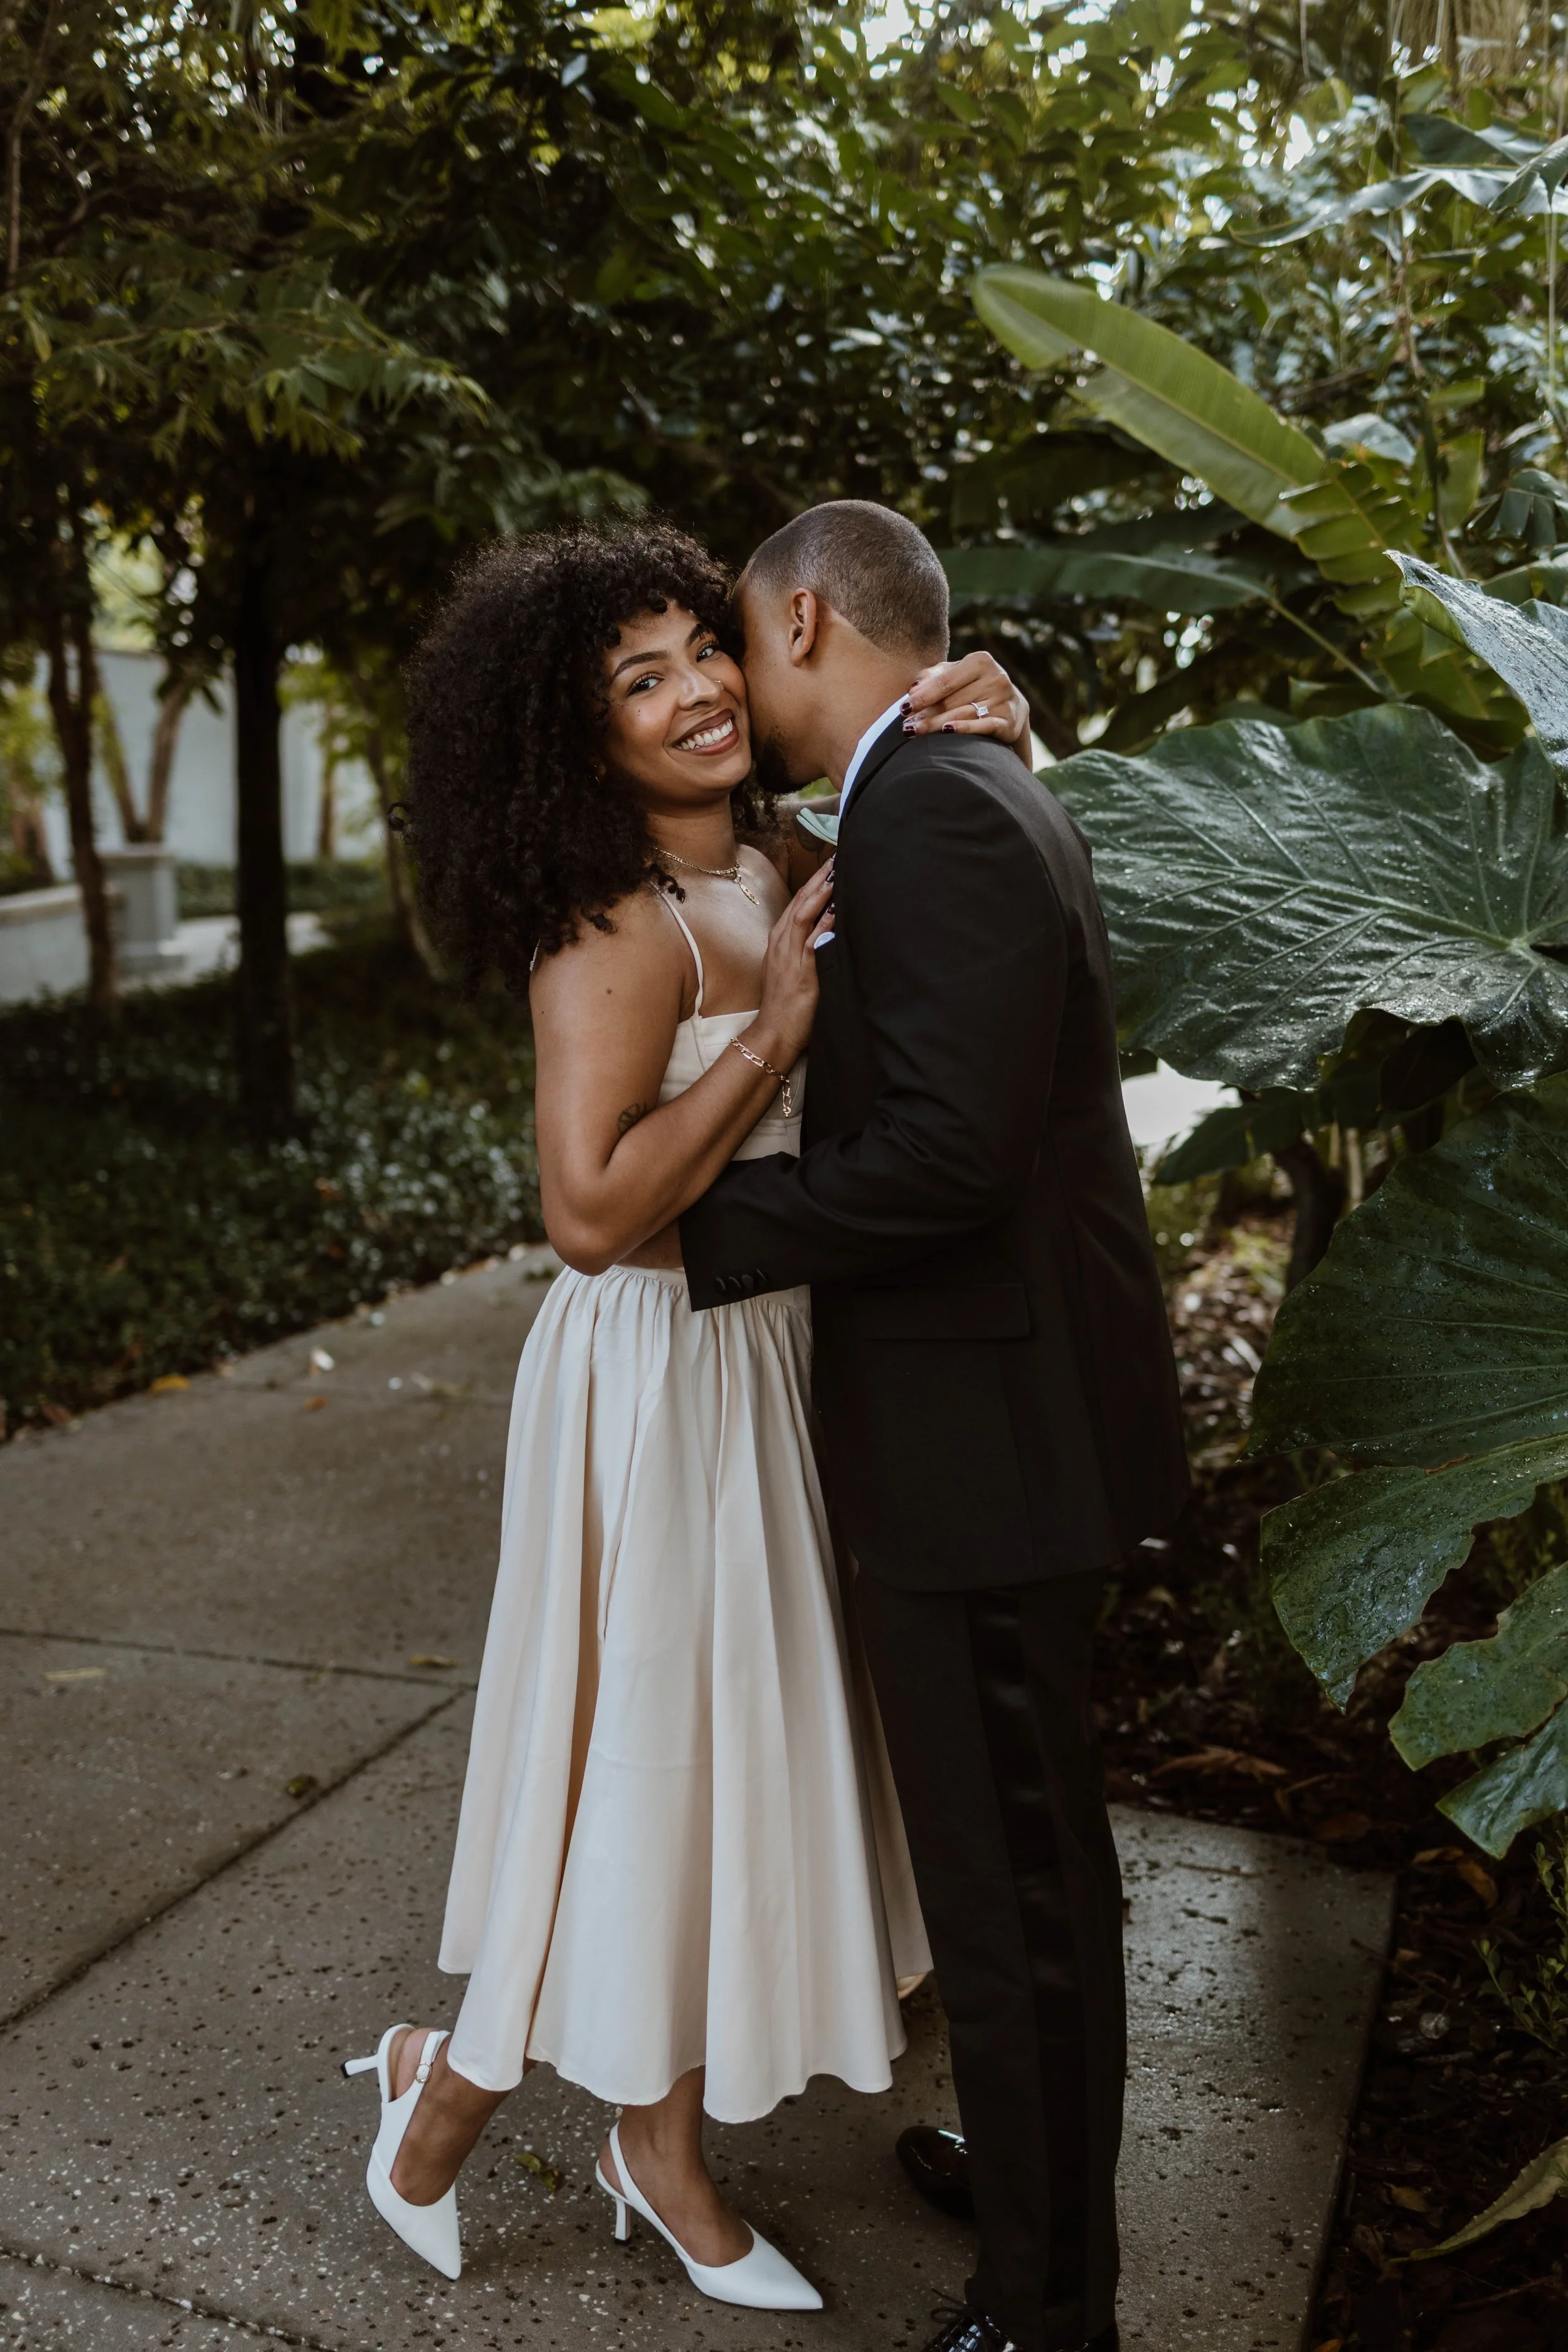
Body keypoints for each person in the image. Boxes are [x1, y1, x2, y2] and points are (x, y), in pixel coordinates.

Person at [339, 514, 1035, 2306]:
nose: (694, 691)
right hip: (650, 1378)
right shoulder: (613, 921)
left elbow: (942, 856)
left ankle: (607, 2125)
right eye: (635, 681)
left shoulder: (791, 848)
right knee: (625, 1755)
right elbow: (584, 1212)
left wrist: (993, 712)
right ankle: (499, 2103)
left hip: (769, 1365)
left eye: (695, 651)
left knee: (702, 1764)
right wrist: (768, 1034)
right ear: (584, 741)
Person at [678, 501, 1191, 2352]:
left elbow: (952, 1165)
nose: (731, 677)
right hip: (1001, 1414)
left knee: (1018, 1889)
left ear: (805, 616)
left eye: (740, 637)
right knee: (1018, 1864)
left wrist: (695, 1225)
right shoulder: (950, 781)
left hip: (986, 1435)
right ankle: (1031, 2167)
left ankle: (1048, 2304)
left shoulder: (945, 806)